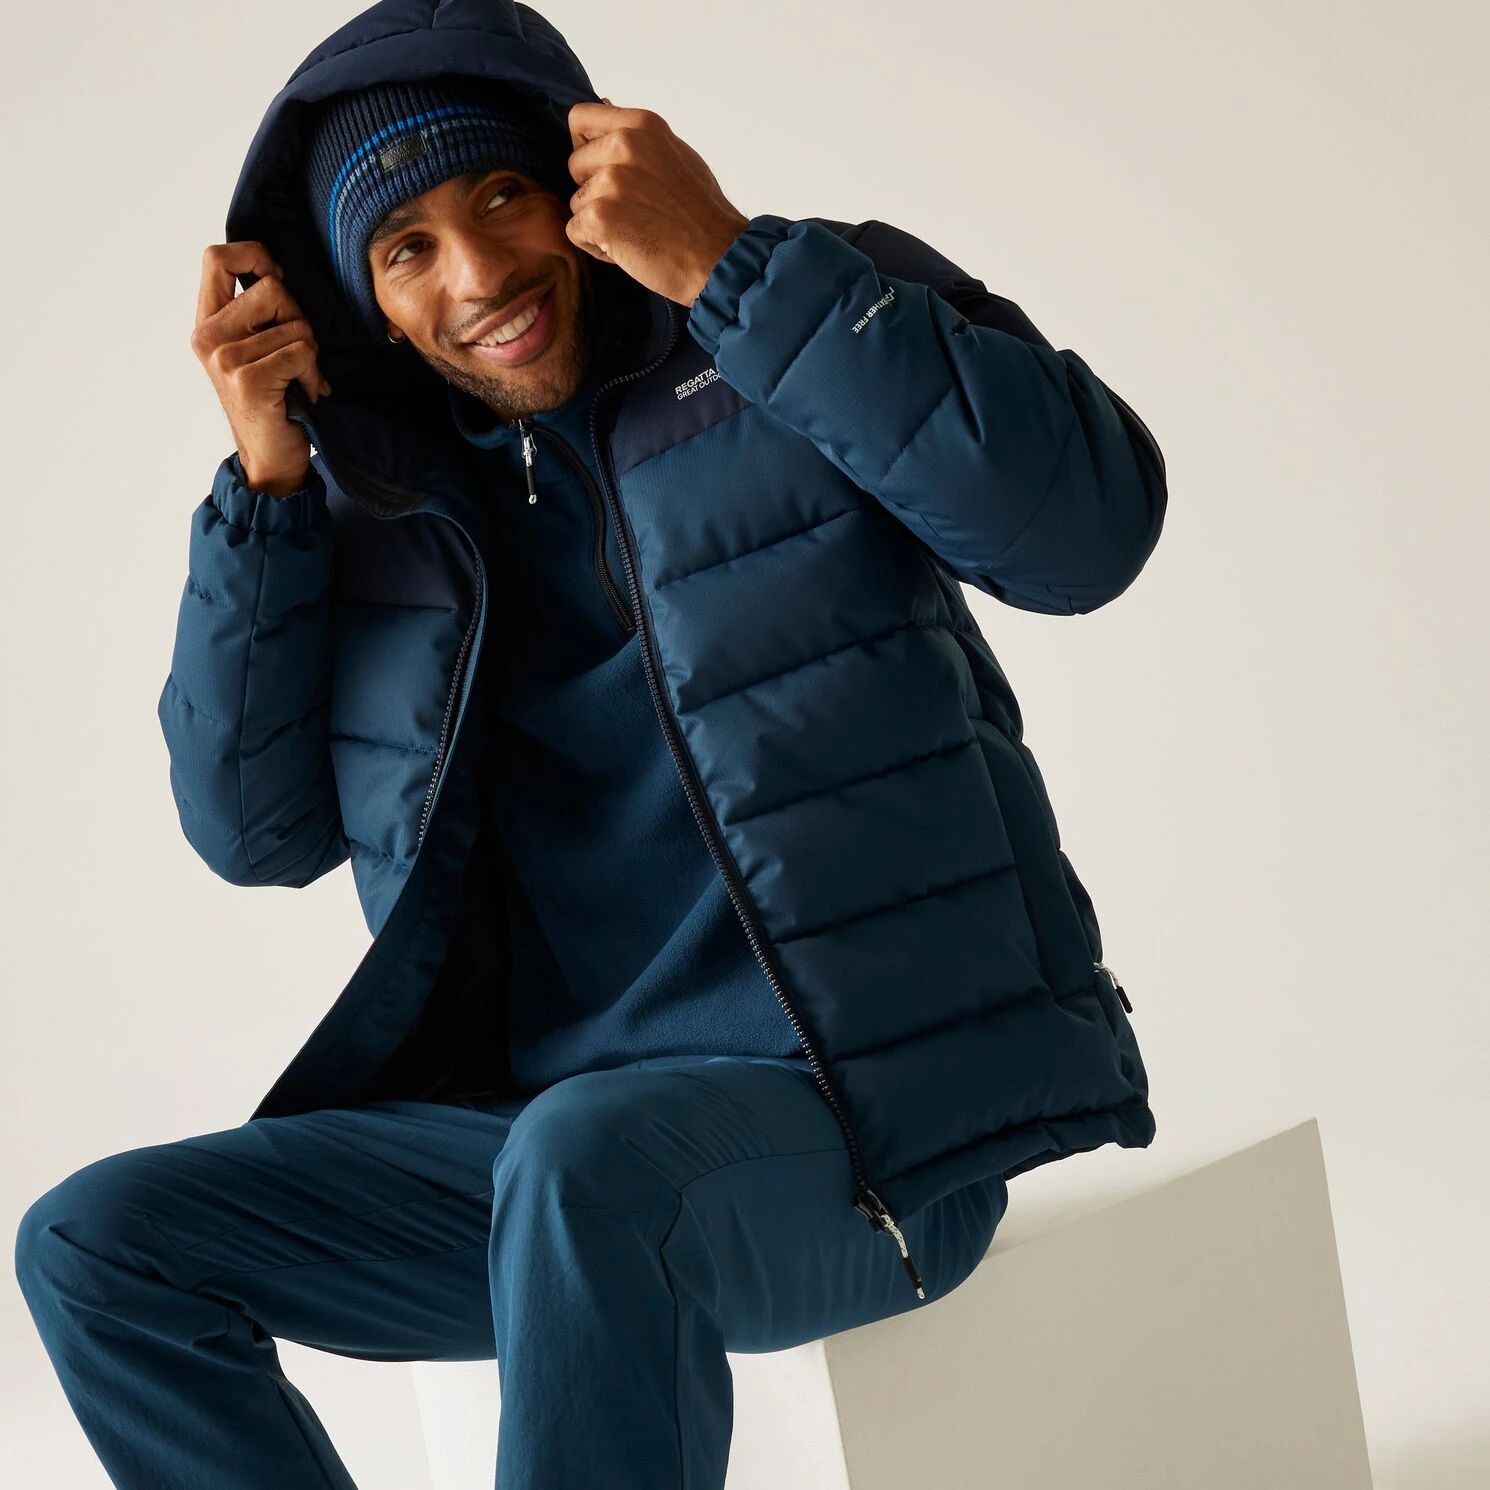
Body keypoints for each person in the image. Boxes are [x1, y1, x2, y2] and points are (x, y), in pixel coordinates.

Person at [13, 2, 1168, 1487]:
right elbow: (255, 833)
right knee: (99, 1243)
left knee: (587, 1155)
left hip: (875, 1134)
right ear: (362, 305)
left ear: (584, 179)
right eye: (407, 247)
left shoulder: (800, 312)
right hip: (542, 1162)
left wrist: (731, 266)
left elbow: (1084, 538)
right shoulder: (374, 505)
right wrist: (269, 488)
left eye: (502, 194)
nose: (480, 274)